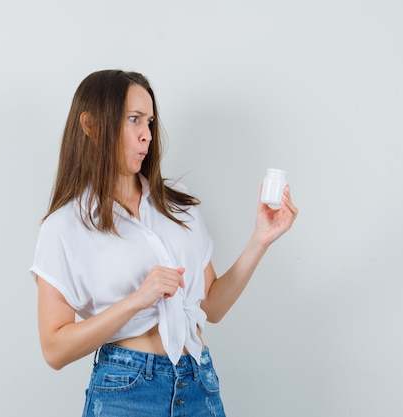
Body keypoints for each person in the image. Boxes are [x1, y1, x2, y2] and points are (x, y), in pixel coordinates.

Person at [30, 69, 298, 417]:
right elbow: (54, 349)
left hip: (199, 384)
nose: (147, 136)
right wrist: (137, 301)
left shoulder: (177, 205)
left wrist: (260, 241)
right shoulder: (65, 226)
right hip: (126, 391)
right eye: (134, 120)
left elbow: (212, 306)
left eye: (150, 122)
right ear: (91, 126)